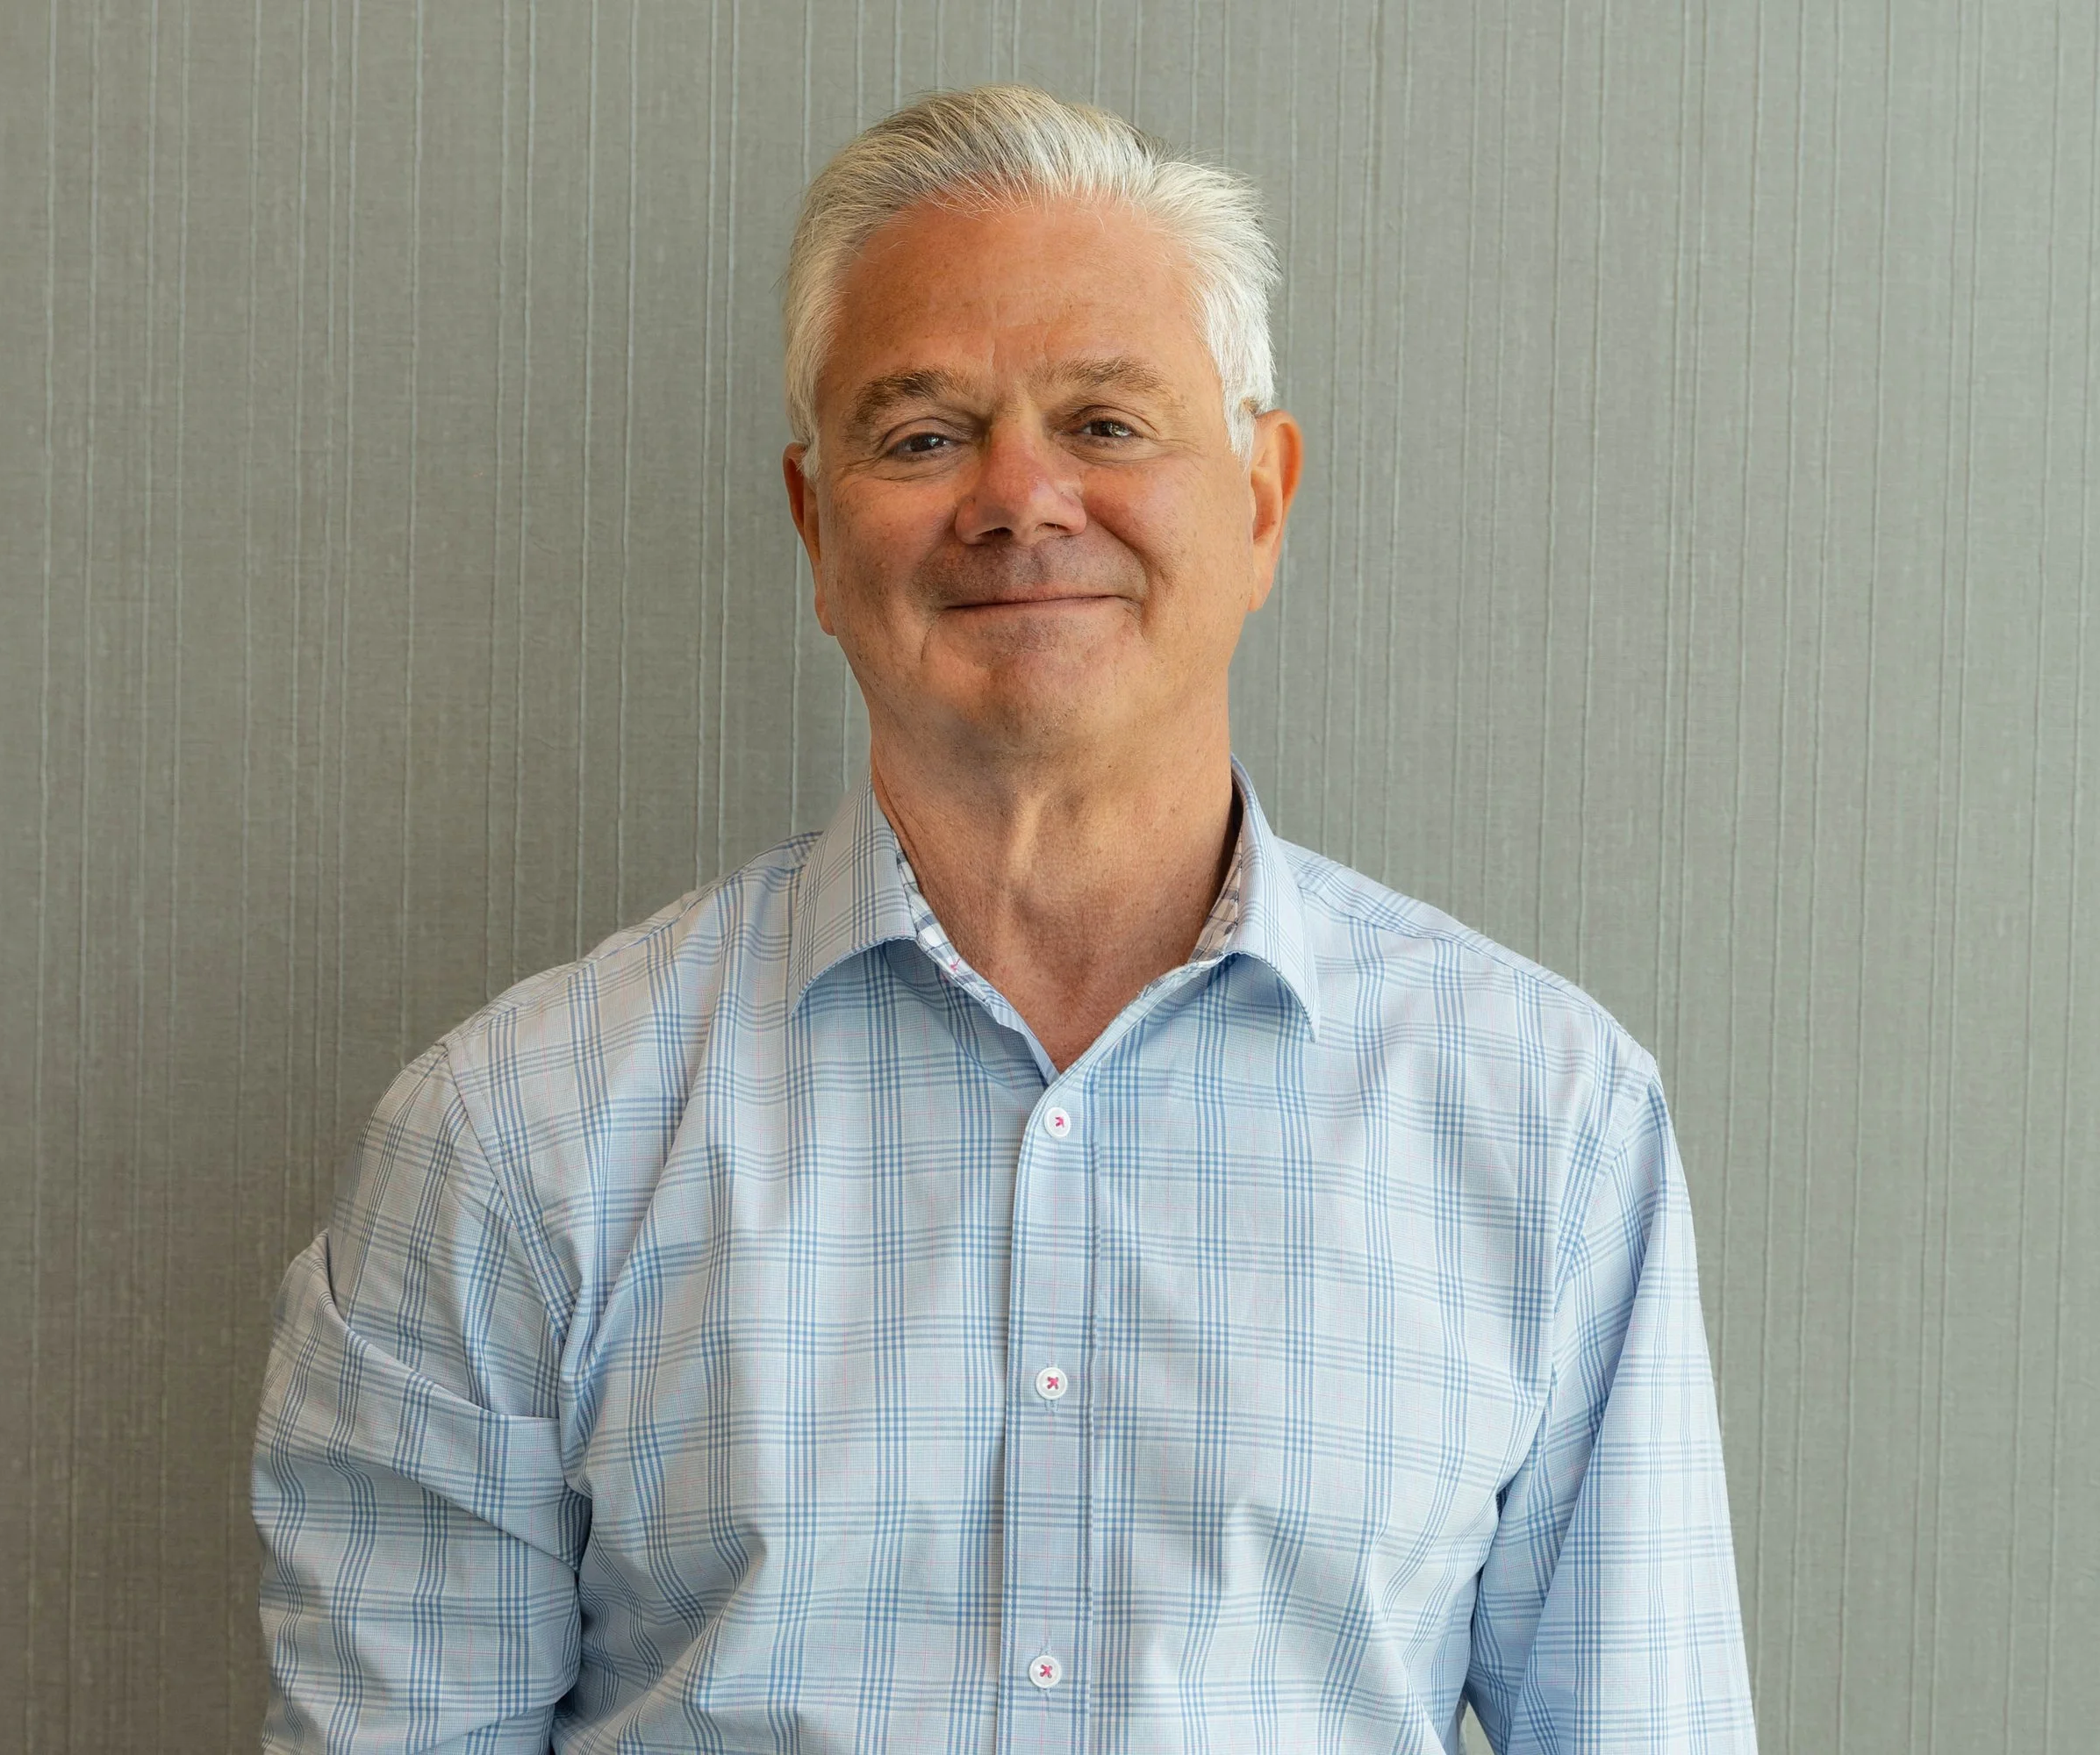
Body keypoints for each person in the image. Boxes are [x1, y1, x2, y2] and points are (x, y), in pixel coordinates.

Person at [253, 83, 1759, 1754]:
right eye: (921, 434)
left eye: (1107, 424)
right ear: (819, 532)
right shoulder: (512, 1138)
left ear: (1263, 500)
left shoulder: (1545, 1123)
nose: (1020, 498)